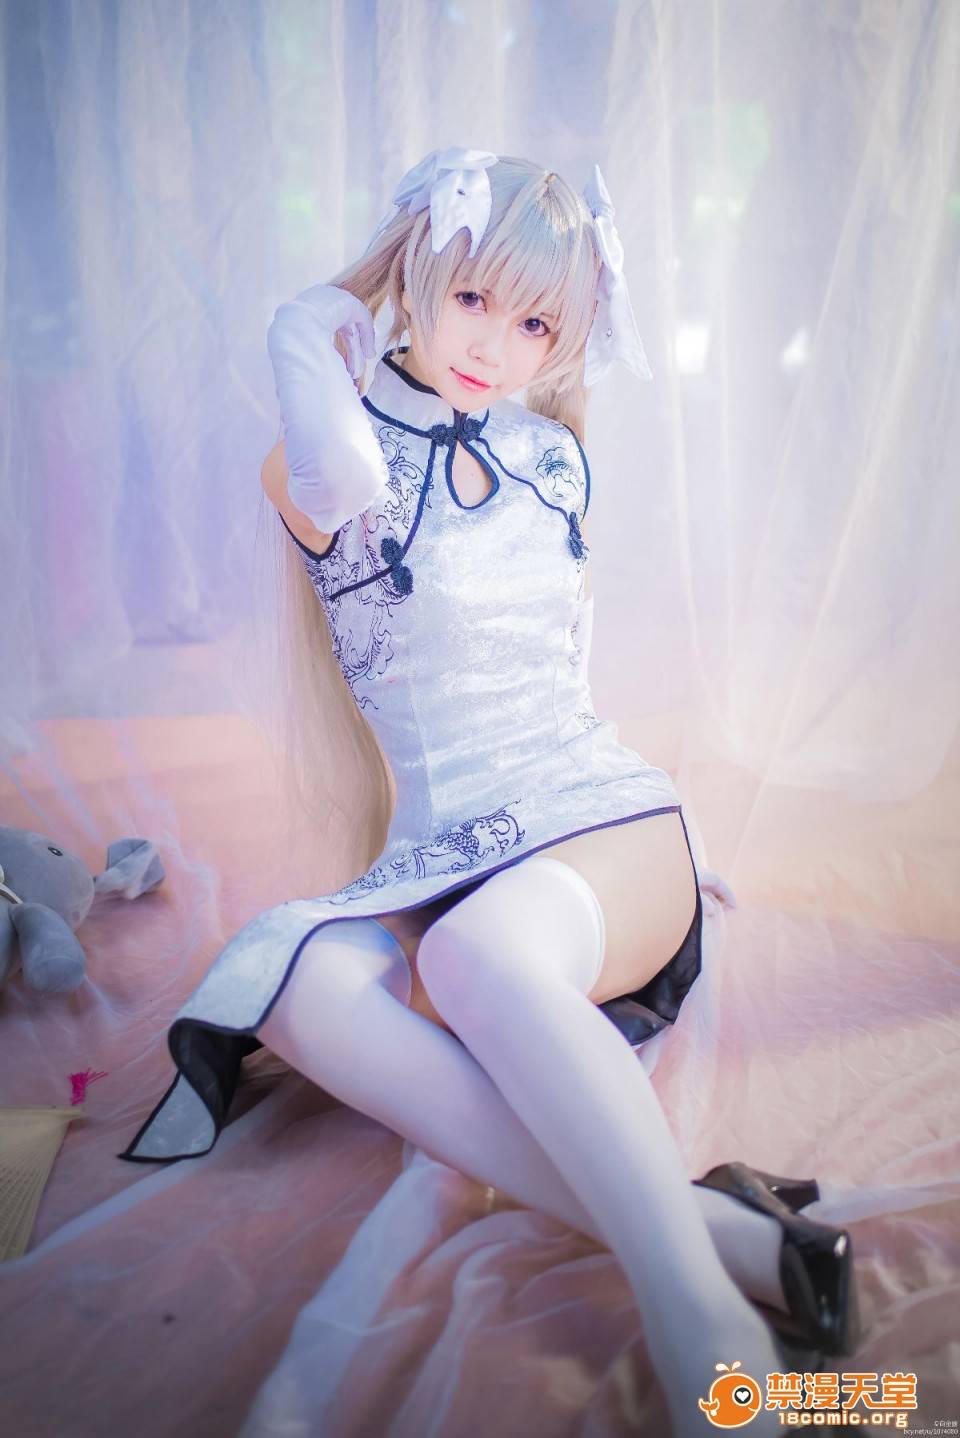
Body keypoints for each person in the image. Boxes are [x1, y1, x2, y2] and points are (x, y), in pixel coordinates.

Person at [119, 148, 860, 1433]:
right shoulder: (322, 454)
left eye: (536, 326)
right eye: (473, 299)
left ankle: (705, 1315)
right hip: (443, 853)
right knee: (288, 983)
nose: (496, 347)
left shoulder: (553, 458)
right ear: (416, 270)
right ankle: (732, 1233)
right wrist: (307, 320)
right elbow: (344, 483)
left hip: (596, 824)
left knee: (474, 957)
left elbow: (562, 680)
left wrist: (666, 856)